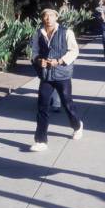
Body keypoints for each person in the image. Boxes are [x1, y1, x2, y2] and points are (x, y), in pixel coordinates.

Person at [30, 8, 83, 152]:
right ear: (42, 18)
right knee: (42, 105)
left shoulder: (66, 32)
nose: (48, 18)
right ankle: (41, 140)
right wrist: (37, 60)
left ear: (56, 17)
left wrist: (60, 61)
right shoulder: (38, 33)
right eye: (45, 16)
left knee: (67, 102)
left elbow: (74, 51)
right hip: (46, 75)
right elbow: (34, 51)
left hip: (62, 74)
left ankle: (77, 125)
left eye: (51, 15)